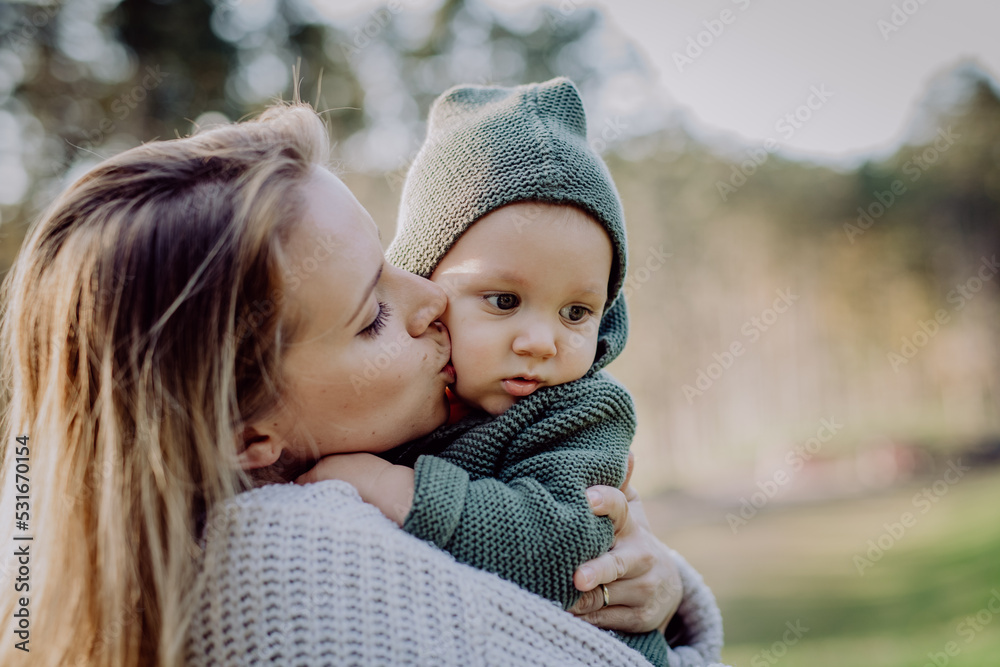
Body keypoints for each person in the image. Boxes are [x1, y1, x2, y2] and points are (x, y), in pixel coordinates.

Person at [0, 102, 726, 666]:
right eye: (372, 314)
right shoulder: (300, 557)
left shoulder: (144, 561)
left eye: (389, 260)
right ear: (247, 433)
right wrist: (668, 609)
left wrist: (661, 581)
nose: (433, 299)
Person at [300, 78, 672, 666]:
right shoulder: (396, 405)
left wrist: (397, 489)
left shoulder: (582, 411)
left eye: (576, 312)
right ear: (426, 287)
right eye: (502, 301)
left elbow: (569, 545)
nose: (541, 341)